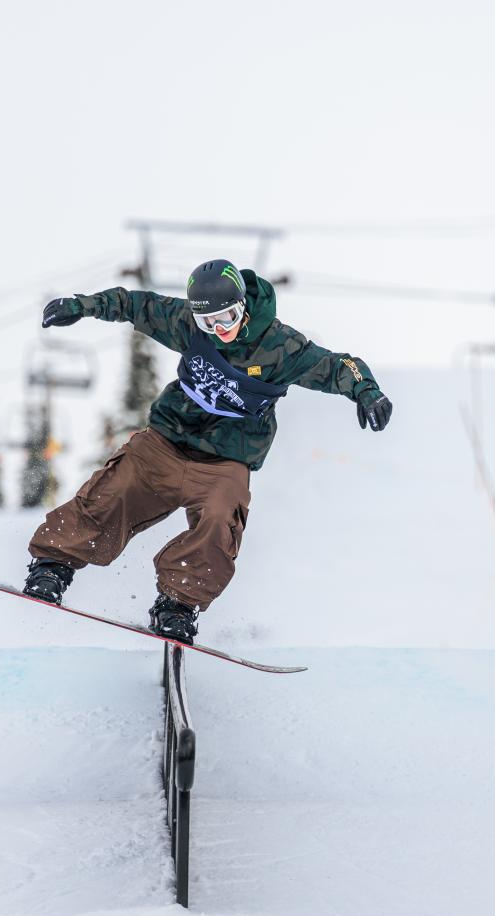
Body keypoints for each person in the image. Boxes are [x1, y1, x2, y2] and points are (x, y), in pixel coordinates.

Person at [21, 260, 393, 642]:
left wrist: (367, 390)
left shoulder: (280, 346)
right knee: (116, 487)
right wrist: (82, 306)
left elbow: (336, 366)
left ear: (243, 306)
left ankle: (177, 605)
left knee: (220, 518)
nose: (221, 330)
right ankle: (53, 564)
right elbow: (135, 304)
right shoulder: (186, 324)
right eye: (209, 323)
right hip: (166, 442)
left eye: (228, 317)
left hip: (226, 459)